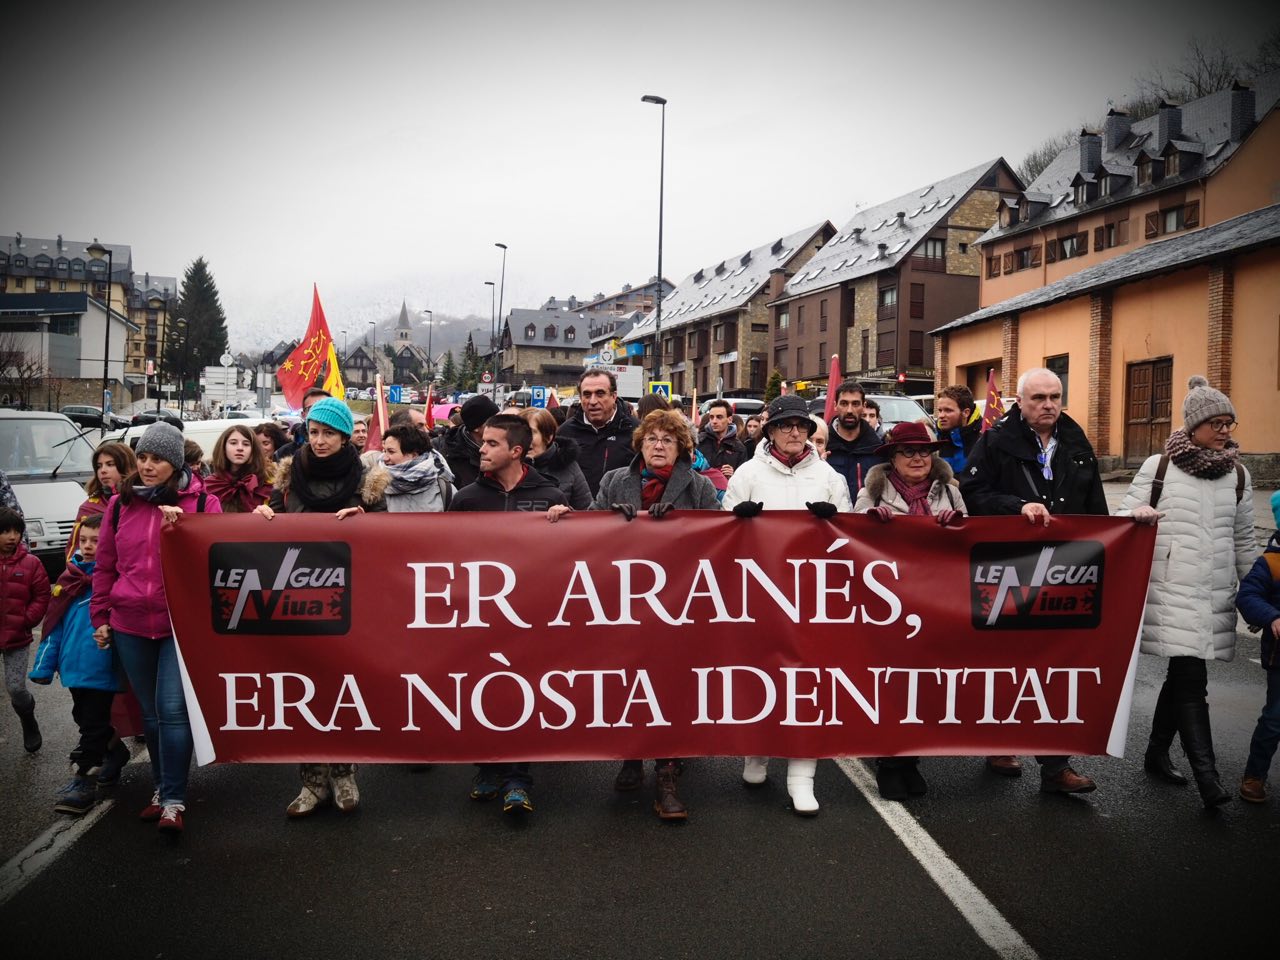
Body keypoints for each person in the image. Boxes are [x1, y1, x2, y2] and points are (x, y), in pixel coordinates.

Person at [959, 366, 1107, 794]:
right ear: (1019, 402)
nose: (1047, 405)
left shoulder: (1077, 445)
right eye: (1038, 398)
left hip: (1064, 572)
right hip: (1009, 569)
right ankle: (999, 742)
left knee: (1055, 668)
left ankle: (1056, 765)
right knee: (1006, 664)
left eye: (1054, 397)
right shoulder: (994, 442)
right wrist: (1016, 506)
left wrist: (1118, 539)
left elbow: (1094, 508)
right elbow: (973, 494)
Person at [1120, 376, 1256, 809]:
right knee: (1192, 682)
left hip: (1214, 592)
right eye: (1215, 422)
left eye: (1228, 423)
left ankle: (1157, 753)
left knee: (1182, 677)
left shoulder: (1237, 475)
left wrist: (1258, 599)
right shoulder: (1158, 468)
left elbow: (1245, 540)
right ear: (1193, 426)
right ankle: (1208, 778)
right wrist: (1136, 514)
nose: (1224, 431)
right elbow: (1124, 518)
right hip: (1171, 589)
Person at [255, 397, 387, 817]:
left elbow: (391, 539)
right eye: (313, 432)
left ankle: (345, 773)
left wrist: (366, 519)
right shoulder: (289, 472)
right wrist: (261, 514)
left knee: (343, 686)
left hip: (353, 598)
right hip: (299, 595)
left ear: (345, 436)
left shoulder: (369, 479)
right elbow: (273, 516)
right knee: (303, 688)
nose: (320, 440)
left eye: (329, 433)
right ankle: (312, 782)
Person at [587, 408, 720, 820]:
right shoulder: (614, 481)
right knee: (628, 680)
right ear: (640, 444)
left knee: (668, 684)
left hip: (678, 604)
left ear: (681, 448)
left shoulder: (697, 486)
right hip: (623, 602)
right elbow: (587, 530)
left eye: (667, 439)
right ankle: (632, 754)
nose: (658, 445)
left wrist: (683, 523)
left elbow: (717, 536)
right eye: (651, 438)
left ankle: (666, 771)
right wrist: (608, 521)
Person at [723, 395, 852, 815]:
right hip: (758, 594)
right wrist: (737, 520)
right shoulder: (747, 473)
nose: (795, 432)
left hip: (813, 598)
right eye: (785, 426)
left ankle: (802, 775)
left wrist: (833, 521)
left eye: (801, 425)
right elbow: (723, 534)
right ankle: (756, 752)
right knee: (759, 677)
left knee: (807, 682)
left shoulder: (830, 476)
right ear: (771, 430)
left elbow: (851, 539)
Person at [91, 422, 223, 833]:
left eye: (158, 460)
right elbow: (105, 566)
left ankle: (173, 800)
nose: (147, 467)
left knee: (171, 710)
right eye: (144, 458)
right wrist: (101, 616)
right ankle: (160, 789)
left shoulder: (203, 504)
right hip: (129, 622)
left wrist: (181, 530)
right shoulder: (120, 504)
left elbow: (218, 562)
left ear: (177, 463)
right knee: (149, 715)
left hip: (177, 625)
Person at [449, 414, 567, 815]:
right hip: (480, 618)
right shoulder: (465, 499)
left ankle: (518, 777)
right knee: (484, 692)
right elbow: (442, 557)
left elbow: (574, 556)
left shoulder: (550, 495)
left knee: (524, 693)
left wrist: (567, 524)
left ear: (516, 451)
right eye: (482, 443)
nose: (481, 450)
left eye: (492, 444)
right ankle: (487, 767)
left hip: (531, 618)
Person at [852, 421, 966, 801]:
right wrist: (872, 525)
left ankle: (912, 759)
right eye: (908, 452)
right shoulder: (873, 491)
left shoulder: (950, 492)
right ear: (893, 458)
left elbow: (970, 542)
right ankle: (889, 760)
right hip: (888, 604)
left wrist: (957, 526)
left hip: (935, 600)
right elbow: (849, 538)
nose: (917, 458)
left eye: (924, 451)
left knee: (924, 683)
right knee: (891, 682)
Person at [29, 514, 130, 815]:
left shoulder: (117, 581)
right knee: (83, 716)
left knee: (92, 724)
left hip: (101, 668)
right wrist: (44, 666)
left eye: (96, 542)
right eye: (83, 539)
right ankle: (115, 749)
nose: (87, 546)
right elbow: (53, 627)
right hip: (73, 669)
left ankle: (84, 780)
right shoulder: (69, 579)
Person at [1236, 492, 1280, 803]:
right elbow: (1248, 596)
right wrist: (1272, 616)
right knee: (1275, 718)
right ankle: (1255, 775)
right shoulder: (1271, 562)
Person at [0, 507, 51, 753]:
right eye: (5, 531)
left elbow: (42, 595)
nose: (12, 537)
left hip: (17, 637)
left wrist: (27, 619)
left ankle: (28, 718)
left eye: (16, 532)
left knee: (16, 688)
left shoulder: (31, 563)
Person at [557, 369, 639, 495]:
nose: (593, 401)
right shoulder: (565, 432)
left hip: (623, 511)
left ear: (613, 396)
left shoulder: (636, 431)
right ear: (580, 398)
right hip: (578, 512)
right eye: (587, 394)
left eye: (600, 394)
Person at [67, 442, 137, 561]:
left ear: (126, 467)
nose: (103, 471)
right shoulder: (88, 507)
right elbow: (73, 552)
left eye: (110, 464)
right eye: (99, 466)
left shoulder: (140, 502)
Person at [519, 407, 591, 510]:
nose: (524, 439)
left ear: (548, 437)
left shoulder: (569, 468)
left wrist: (567, 512)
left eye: (531, 433)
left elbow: (587, 513)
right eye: (519, 433)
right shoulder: (506, 468)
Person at [825, 380, 884, 499]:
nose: (849, 410)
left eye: (855, 404)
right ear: (835, 405)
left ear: (863, 406)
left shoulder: (879, 450)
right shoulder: (822, 447)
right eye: (844, 403)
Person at [380, 423, 452, 512]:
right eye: (384, 451)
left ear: (413, 455)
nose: (385, 458)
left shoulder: (444, 489)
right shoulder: (376, 488)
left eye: (391, 452)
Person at [205, 424, 273, 514]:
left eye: (246, 444)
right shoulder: (208, 486)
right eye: (233, 443)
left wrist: (265, 514)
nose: (240, 448)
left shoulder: (268, 484)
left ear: (253, 450)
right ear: (223, 448)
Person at [435, 394, 498, 489]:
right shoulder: (450, 455)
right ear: (476, 427)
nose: (502, 424)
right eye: (495, 420)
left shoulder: (505, 446)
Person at [935, 385, 981, 475]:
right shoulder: (933, 442)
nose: (941, 416)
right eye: (940, 410)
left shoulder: (983, 443)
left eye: (948, 410)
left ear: (966, 412)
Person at [274, 387, 331, 460]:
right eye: (312, 408)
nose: (319, 413)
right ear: (303, 415)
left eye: (324, 408)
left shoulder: (348, 454)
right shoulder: (283, 455)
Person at [696, 399, 749, 479]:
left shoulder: (739, 448)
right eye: (711, 417)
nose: (714, 421)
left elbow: (744, 478)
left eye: (719, 417)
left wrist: (733, 474)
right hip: (700, 489)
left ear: (729, 419)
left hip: (726, 489)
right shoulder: (698, 442)